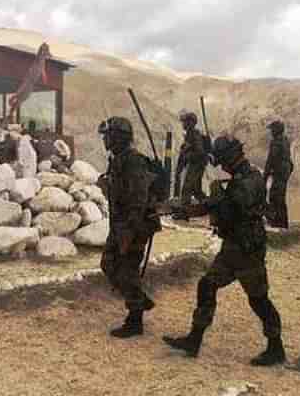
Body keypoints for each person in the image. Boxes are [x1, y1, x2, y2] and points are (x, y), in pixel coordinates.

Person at [162, 134, 286, 366]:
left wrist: (211, 201)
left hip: (248, 250)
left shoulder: (251, 178)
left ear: (231, 156)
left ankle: (276, 348)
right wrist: (187, 211)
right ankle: (194, 339)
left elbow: (234, 204)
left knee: (259, 299)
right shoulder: (236, 179)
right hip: (232, 249)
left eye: (222, 161)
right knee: (207, 285)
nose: (222, 166)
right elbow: (220, 204)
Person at [97, 116, 162, 338]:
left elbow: (139, 198)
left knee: (127, 269)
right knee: (108, 263)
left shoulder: (134, 161)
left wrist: (130, 231)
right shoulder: (117, 159)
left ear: (117, 137)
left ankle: (135, 321)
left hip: (135, 225)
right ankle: (140, 300)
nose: (105, 139)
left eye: (107, 135)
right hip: (121, 224)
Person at [263, 120, 294, 229]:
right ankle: (282, 222)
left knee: (275, 197)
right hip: (284, 172)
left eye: (272, 129)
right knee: (279, 197)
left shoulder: (276, 142)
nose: (271, 132)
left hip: (280, 173)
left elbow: (271, 160)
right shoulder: (285, 140)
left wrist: (265, 176)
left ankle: (277, 223)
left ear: (276, 130)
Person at [177, 110, 208, 205]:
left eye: (185, 121)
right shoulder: (190, 135)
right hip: (197, 164)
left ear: (190, 122)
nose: (183, 124)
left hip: (196, 164)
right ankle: (207, 203)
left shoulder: (194, 134)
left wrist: (188, 155)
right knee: (196, 189)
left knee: (187, 187)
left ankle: (184, 210)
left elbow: (200, 152)